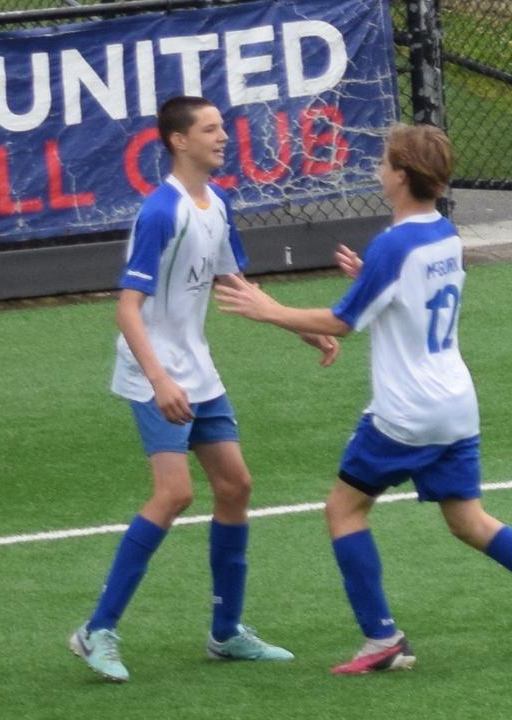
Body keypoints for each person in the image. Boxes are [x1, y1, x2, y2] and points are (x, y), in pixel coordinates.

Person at [214, 123, 512, 675]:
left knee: (344, 509)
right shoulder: (444, 234)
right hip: (456, 405)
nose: (378, 168)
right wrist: (370, 276)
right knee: (469, 521)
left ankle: (382, 638)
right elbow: (414, 296)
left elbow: (343, 321)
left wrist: (268, 310)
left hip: (406, 413)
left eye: (384, 162)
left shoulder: (394, 244)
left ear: (401, 175)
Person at [69, 96, 340, 683]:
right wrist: (160, 379)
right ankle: (97, 630)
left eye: (222, 127)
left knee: (236, 485)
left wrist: (301, 330)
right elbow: (127, 309)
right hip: (154, 374)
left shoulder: (216, 203)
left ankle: (226, 633)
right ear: (178, 141)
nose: (223, 137)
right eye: (210, 129)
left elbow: (231, 281)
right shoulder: (161, 211)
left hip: (198, 370)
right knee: (173, 495)